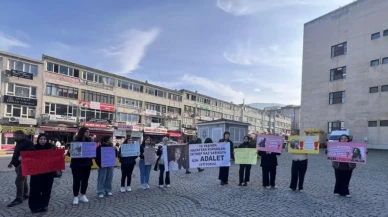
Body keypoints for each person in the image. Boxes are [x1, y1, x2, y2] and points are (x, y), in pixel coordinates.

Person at [28, 134, 56, 213]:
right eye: (41, 139)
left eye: (44, 139)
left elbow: (56, 158)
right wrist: (21, 158)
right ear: (38, 140)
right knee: (34, 191)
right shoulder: (33, 148)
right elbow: (28, 158)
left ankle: (44, 205)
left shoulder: (52, 147)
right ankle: (34, 207)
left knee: (46, 190)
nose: (42, 140)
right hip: (36, 174)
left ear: (47, 140)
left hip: (48, 174)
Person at [7, 130, 34, 208]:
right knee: (23, 180)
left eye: (14, 136)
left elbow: (32, 152)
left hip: (23, 165)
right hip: (17, 165)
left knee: (18, 182)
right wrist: (11, 162)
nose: (13, 137)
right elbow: (16, 154)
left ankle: (19, 198)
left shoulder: (28, 142)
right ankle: (25, 195)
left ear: (21, 135)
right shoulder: (19, 142)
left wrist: (24, 157)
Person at [68, 127, 93, 205]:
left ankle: (83, 195)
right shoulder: (75, 141)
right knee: (76, 180)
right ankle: (75, 196)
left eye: (89, 132)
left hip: (87, 164)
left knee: (85, 180)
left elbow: (92, 152)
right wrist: (70, 152)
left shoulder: (90, 141)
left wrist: (92, 154)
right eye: (86, 132)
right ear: (82, 132)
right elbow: (69, 153)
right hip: (77, 164)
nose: (88, 133)